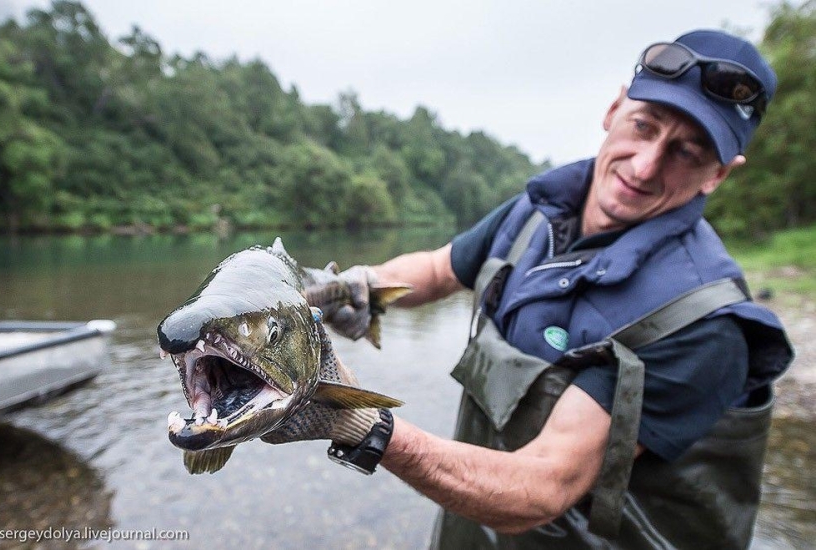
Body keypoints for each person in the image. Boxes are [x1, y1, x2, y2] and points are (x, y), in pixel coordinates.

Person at [263, 29, 793, 549]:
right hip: (475, 525)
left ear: (718, 175)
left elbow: (544, 485)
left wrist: (361, 424)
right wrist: (361, 286)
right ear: (613, 110)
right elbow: (439, 268)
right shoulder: (532, 213)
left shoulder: (706, 324)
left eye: (687, 152)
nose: (646, 164)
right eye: (644, 125)